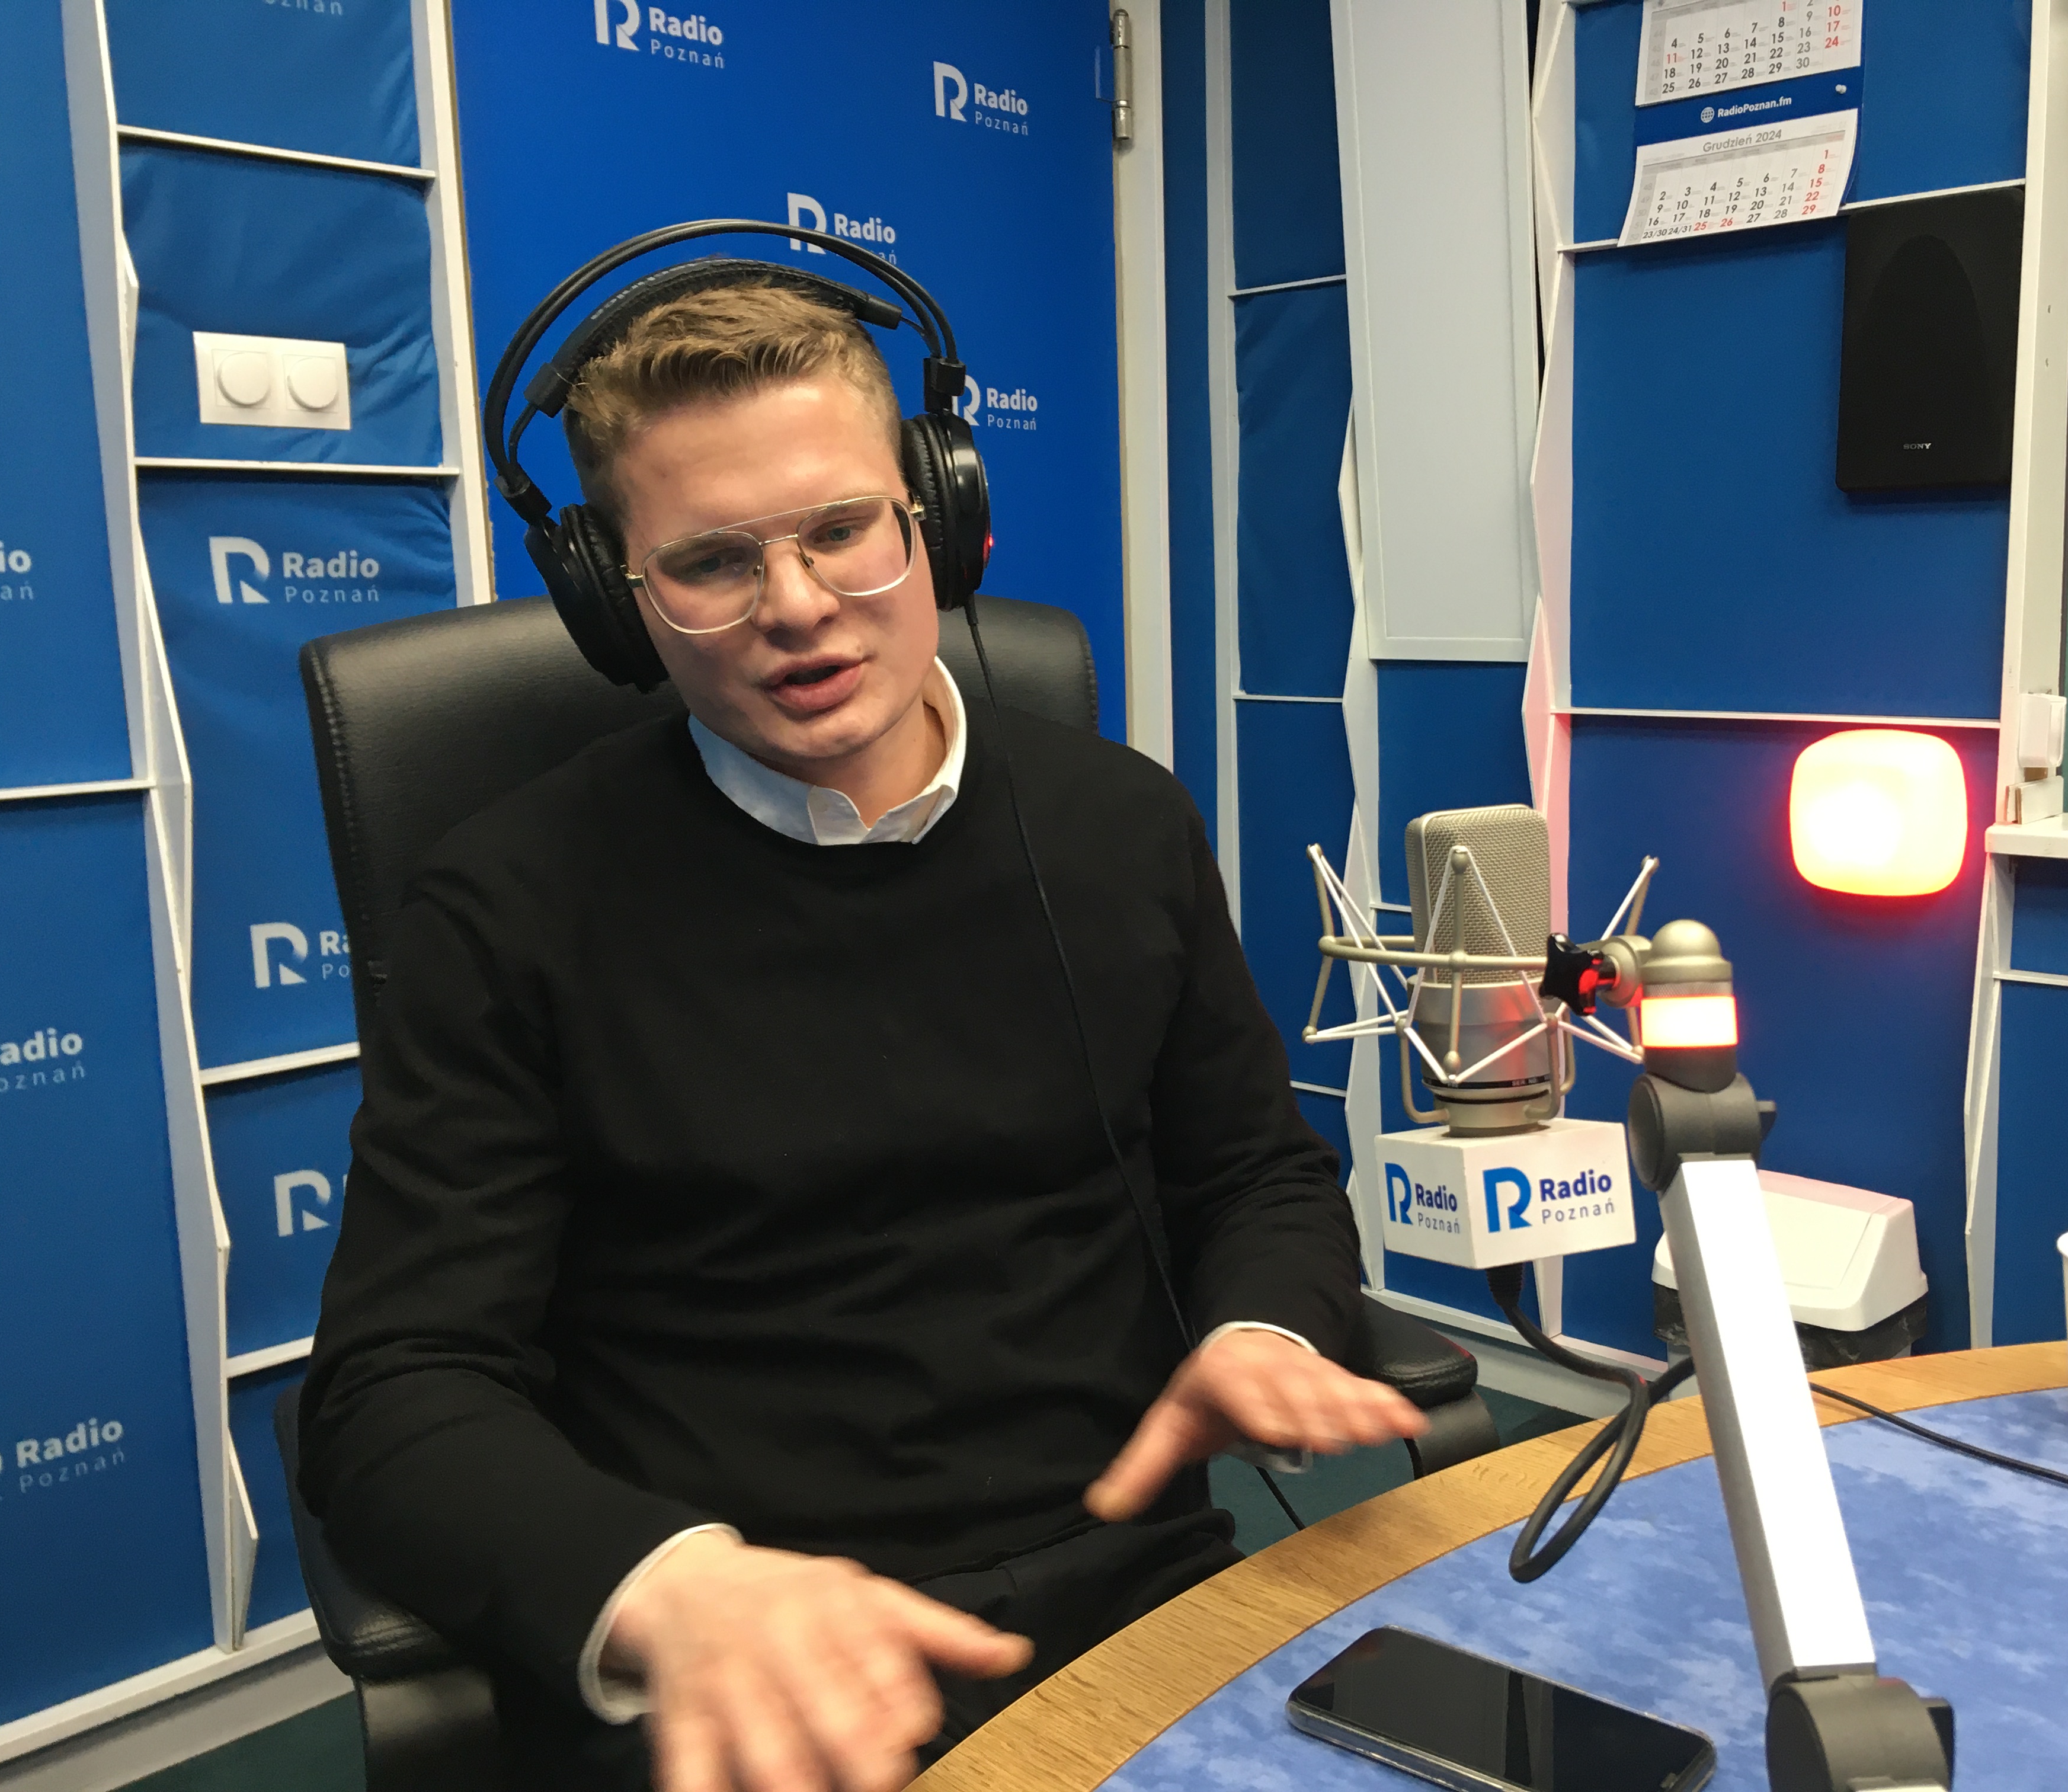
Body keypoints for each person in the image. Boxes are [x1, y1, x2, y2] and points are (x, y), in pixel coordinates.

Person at [299, 277, 1424, 1792]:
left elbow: (1255, 1175)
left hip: (1137, 1589)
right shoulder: (506, 905)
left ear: (935, 519)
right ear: (616, 600)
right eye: (711, 561)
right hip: (755, 1660)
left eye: (842, 529)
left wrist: (1260, 1329)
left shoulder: (1122, 823)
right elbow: (393, 1391)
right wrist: (669, 1589)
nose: (797, 606)